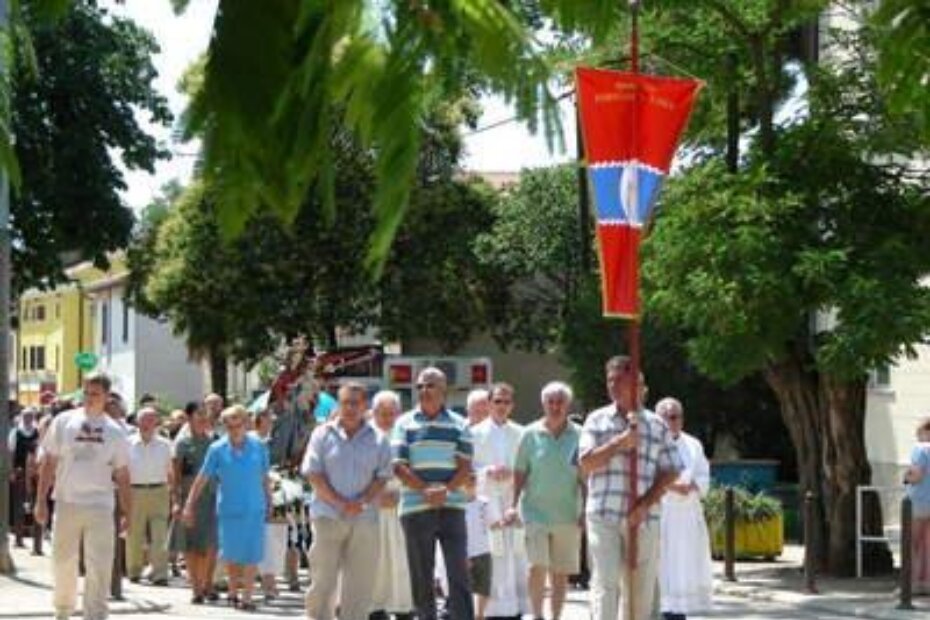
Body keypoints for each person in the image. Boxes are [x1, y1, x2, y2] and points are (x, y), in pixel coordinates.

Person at [579, 356, 683, 620]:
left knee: (640, 588)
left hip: (643, 518)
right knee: (606, 583)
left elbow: (672, 469)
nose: (612, 386)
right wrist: (620, 442)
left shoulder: (656, 424)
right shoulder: (596, 419)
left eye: (620, 380)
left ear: (636, 384)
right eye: (609, 380)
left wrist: (646, 503)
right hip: (604, 515)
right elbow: (585, 463)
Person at [34, 373, 132, 620]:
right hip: (67, 501)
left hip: (100, 505)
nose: (89, 398)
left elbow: (122, 474)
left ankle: (95, 614)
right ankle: (63, 610)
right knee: (63, 560)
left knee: (99, 563)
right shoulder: (64, 421)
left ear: (107, 396)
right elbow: (49, 462)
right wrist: (40, 501)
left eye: (95, 394)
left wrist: (128, 512)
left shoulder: (115, 431)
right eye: (86, 392)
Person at [301, 382, 392, 620]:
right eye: (345, 403)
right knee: (323, 582)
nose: (350, 408)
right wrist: (341, 503)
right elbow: (313, 474)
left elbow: (382, 477)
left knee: (359, 585)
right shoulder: (321, 434)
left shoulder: (379, 439)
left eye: (355, 403)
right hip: (328, 516)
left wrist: (361, 501)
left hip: (365, 519)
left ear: (365, 406)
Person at [392, 367, 475, 620]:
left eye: (430, 386)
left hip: (452, 506)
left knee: (458, 573)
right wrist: (426, 490)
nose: (423, 391)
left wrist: (445, 490)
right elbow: (398, 466)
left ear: (444, 391)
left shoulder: (460, 424)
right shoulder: (403, 423)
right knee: (421, 575)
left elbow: (465, 466)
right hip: (416, 507)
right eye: (420, 386)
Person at [183, 404, 271, 611]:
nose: (233, 430)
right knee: (232, 552)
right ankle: (232, 592)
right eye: (228, 426)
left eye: (237, 425)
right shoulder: (217, 449)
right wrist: (189, 504)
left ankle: (247, 596)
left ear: (246, 423)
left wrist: (269, 500)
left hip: (254, 506)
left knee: (252, 551)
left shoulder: (259, 446)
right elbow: (202, 477)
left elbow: (264, 475)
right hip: (229, 507)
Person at [511, 381, 583, 620]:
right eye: (550, 402)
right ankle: (538, 615)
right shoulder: (529, 434)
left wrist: (586, 509)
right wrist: (512, 506)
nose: (555, 406)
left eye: (560, 402)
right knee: (536, 566)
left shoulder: (580, 435)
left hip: (568, 513)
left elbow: (586, 476)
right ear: (543, 404)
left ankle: (555, 616)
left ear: (568, 404)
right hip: (535, 513)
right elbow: (520, 472)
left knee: (561, 572)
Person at [471, 382, 530, 618]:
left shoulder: (521, 432)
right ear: (489, 404)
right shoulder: (475, 433)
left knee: (517, 552)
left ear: (512, 405)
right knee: (492, 554)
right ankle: (491, 610)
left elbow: (528, 466)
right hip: (488, 500)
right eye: (498, 401)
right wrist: (488, 471)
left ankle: (516, 607)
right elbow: (469, 468)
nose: (502, 406)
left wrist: (512, 472)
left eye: (507, 402)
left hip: (513, 498)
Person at [655, 397, 713, 619]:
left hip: (687, 517)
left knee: (683, 571)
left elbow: (703, 475)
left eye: (675, 416)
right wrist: (671, 486)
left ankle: (679, 614)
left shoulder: (693, 444)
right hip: (662, 514)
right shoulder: (651, 444)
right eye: (667, 417)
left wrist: (693, 486)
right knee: (662, 568)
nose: (672, 421)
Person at [369, 390, 415, 620]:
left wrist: (401, 493)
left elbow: (416, 471)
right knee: (376, 562)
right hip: (373, 509)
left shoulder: (406, 436)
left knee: (403, 560)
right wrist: (376, 497)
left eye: (391, 413)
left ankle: (404, 607)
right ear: (374, 412)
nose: (387, 418)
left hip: (402, 506)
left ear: (399, 413)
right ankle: (376, 608)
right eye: (382, 413)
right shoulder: (365, 437)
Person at [169, 407, 218, 603]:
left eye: (205, 415)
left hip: (211, 498)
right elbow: (175, 474)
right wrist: (176, 501)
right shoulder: (182, 444)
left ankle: (207, 582)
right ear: (189, 418)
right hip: (189, 497)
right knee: (190, 545)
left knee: (209, 544)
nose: (203, 419)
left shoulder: (214, 443)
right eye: (199, 415)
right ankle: (196, 589)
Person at [126, 407, 173, 585]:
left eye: (151, 420)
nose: (146, 424)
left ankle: (160, 573)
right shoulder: (127, 443)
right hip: (134, 490)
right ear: (137, 422)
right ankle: (134, 570)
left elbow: (170, 472)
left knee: (160, 534)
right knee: (134, 533)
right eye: (143, 420)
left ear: (156, 423)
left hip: (159, 490)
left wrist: (173, 494)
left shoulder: (165, 445)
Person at [904, 417, 930, 595]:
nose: (917, 436)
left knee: (912, 544)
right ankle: (927, 583)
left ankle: (912, 584)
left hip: (919, 501)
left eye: (919, 432)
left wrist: (906, 477)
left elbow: (916, 475)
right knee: (927, 545)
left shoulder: (920, 449)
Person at [8, 407, 39, 548]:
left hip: (34, 474)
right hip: (20, 472)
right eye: (26, 416)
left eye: (30, 416)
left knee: (33, 503)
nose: (28, 418)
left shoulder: (37, 432)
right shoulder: (16, 432)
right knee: (18, 504)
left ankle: (34, 537)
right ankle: (18, 537)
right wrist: (12, 471)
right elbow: (11, 453)